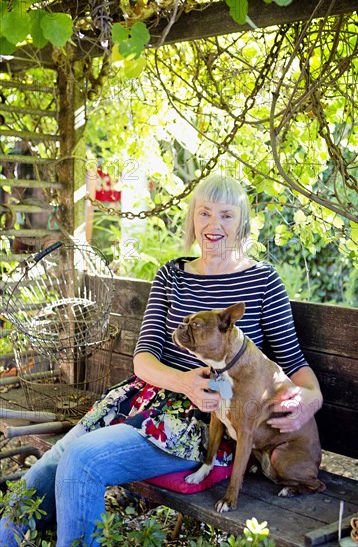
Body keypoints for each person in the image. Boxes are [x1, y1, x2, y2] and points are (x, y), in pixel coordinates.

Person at [0, 172, 323, 546]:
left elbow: (296, 367)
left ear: (242, 222)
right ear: (192, 220)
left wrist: (310, 401)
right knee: (49, 465)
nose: (213, 224)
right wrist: (184, 381)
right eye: (204, 213)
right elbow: (144, 358)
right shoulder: (172, 274)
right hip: (144, 400)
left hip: (198, 426)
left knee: (82, 460)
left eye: (226, 215)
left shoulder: (264, 282)